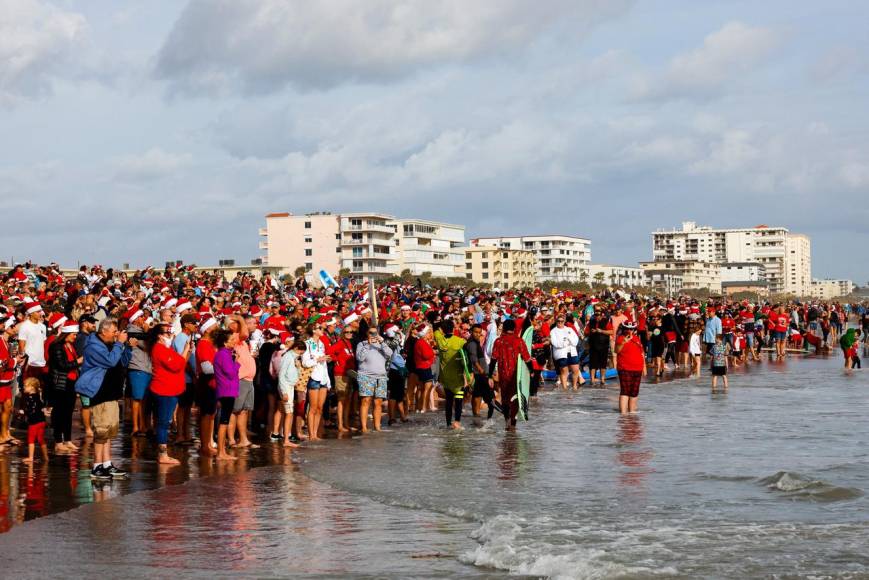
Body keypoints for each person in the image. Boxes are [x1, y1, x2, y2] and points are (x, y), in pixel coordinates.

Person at [76, 318, 133, 480]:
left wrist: (127, 347)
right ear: (104, 331)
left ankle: (107, 464)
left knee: (109, 430)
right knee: (101, 430)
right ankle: (97, 466)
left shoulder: (112, 344)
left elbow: (123, 361)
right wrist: (119, 344)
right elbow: (110, 360)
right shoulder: (93, 346)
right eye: (114, 331)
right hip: (100, 393)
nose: (116, 334)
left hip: (112, 393)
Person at [148, 323, 191, 465]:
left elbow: (179, 363)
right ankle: (162, 454)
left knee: (164, 421)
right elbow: (177, 365)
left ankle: (163, 452)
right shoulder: (159, 349)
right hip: (164, 390)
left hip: (170, 389)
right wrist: (185, 350)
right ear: (159, 336)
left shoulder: (165, 348)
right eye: (167, 333)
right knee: (163, 422)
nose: (170, 336)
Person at [488, 319, 532, 431]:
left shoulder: (498, 341)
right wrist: (531, 371)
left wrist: (489, 375)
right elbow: (527, 359)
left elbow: (493, 360)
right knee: (515, 399)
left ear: (503, 328)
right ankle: (513, 423)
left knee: (505, 399)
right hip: (516, 376)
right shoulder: (519, 341)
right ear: (514, 329)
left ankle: (507, 420)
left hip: (503, 375)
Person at [48, 319, 82, 452]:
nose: (75, 336)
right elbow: (62, 365)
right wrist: (78, 361)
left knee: (68, 412)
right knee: (59, 412)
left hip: (71, 382)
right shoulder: (57, 346)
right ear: (67, 334)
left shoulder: (71, 346)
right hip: (61, 383)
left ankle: (67, 440)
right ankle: (58, 441)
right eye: (73, 334)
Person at [355, 327, 393, 433]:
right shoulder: (362, 344)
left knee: (378, 402)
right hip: (366, 375)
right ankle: (364, 427)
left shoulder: (382, 344)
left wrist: (382, 343)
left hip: (381, 376)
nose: (373, 334)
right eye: (371, 333)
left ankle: (377, 426)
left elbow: (390, 354)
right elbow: (360, 358)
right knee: (366, 400)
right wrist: (368, 344)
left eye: (375, 333)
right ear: (367, 333)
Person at [433, 320, 467, 429]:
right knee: (458, 400)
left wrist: (440, 328)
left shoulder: (439, 340)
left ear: (442, 330)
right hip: (458, 377)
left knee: (449, 401)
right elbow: (466, 359)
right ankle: (457, 422)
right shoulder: (460, 341)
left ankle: (448, 423)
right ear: (453, 329)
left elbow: (436, 330)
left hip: (445, 378)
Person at [213, 328, 240, 461]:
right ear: (225, 343)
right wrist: (237, 362)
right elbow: (230, 372)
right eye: (231, 340)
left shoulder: (225, 353)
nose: (234, 342)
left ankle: (222, 451)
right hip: (226, 391)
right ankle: (220, 452)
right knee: (224, 422)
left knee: (224, 421)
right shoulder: (223, 354)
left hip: (227, 390)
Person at [171, 313, 198, 446]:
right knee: (182, 407)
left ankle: (186, 433)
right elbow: (184, 360)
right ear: (186, 324)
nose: (195, 325)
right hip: (184, 377)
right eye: (193, 323)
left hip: (189, 377)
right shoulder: (181, 338)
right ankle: (181, 434)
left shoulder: (186, 338)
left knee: (187, 407)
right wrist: (194, 375)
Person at [302, 323, 331, 441]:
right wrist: (318, 359)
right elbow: (305, 362)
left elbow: (323, 365)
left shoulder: (322, 344)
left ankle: (315, 433)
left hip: (323, 377)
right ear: (313, 330)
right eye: (320, 328)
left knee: (320, 407)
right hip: (314, 377)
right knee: (313, 407)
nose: (322, 330)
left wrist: (328, 382)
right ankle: (311, 435)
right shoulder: (307, 344)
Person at [195, 317, 219, 456]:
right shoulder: (204, 344)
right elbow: (206, 368)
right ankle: (205, 446)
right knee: (206, 415)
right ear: (208, 329)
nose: (217, 328)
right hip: (207, 382)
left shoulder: (209, 344)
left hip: (212, 382)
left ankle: (208, 443)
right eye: (215, 326)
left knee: (211, 414)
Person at [126, 312, 152, 437]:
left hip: (145, 367)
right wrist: (147, 332)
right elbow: (147, 346)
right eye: (141, 317)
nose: (144, 319)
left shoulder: (140, 331)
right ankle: (136, 426)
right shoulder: (132, 331)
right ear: (135, 319)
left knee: (143, 399)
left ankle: (143, 425)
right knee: (137, 398)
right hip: (138, 367)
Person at [327, 325, 356, 433]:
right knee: (341, 400)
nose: (349, 333)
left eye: (351, 332)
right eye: (347, 332)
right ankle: (340, 425)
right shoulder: (339, 343)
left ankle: (346, 423)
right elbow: (329, 351)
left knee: (347, 400)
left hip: (349, 373)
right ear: (342, 333)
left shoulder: (349, 343)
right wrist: (336, 360)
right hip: (341, 374)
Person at [615, 322, 646, 414]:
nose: (629, 331)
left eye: (631, 329)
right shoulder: (620, 338)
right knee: (625, 391)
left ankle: (632, 414)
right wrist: (624, 342)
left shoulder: (637, 339)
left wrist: (644, 367)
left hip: (638, 368)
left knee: (634, 392)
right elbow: (616, 350)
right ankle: (623, 415)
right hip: (625, 368)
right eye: (627, 329)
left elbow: (642, 353)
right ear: (624, 329)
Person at [0, 314, 21, 447]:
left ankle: (4, 434)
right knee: (3, 408)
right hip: (1, 380)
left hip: (6, 379)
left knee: (7, 408)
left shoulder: (4, 341)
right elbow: (1, 363)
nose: (2, 324)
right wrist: (15, 361)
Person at [468, 324, 497, 419]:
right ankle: (491, 421)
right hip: (481, 374)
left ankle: (476, 417)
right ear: (471, 332)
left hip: (480, 373)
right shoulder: (472, 343)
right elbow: (473, 358)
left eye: (479, 333)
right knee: (491, 400)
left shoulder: (475, 342)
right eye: (475, 332)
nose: (477, 334)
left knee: (477, 395)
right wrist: (481, 369)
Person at [21, 378, 48, 464]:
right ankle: (46, 457)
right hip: (42, 421)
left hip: (34, 422)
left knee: (31, 439)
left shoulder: (30, 398)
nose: (23, 387)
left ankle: (30, 457)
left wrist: (23, 412)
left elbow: (31, 409)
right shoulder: (38, 396)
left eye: (25, 386)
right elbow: (41, 406)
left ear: (32, 387)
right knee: (41, 439)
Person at [550, 315, 581, 390]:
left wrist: (570, 340)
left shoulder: (569, 329)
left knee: (576, 370)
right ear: (556, 322)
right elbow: (554, 343)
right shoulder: (553, 331)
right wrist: (564, 343)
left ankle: (574, 386)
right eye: (558, 321)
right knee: (564, 371)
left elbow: (576, 340)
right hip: (561, 353)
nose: (560, 322)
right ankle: (565, 389)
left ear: (564, 321)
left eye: (562, 321)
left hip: (572, 352)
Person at [413, 324, 436, 413]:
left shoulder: (419, 342)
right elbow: (426, 355)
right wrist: (433, 352)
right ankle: (424, 407)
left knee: (420, 388)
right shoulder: (422, 342)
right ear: (424, 333)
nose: (429, 334)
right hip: (425, 366)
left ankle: (419, 407)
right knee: (427, 388)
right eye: (428, 332)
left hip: (419, 366)